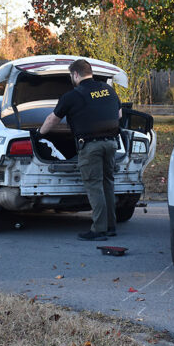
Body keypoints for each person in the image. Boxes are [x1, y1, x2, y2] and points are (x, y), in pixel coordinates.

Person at [39, 59, 122, 241]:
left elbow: (53, 120)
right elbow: (119, 114)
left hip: (91, 146)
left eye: (71, 76)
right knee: (107, 184)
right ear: (90, 72)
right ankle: (110, 226)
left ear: (75, 75)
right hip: (111, 143)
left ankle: (99, 230)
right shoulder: (107, 90)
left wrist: (38, 134)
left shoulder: (73, 96)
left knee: (94, 185)